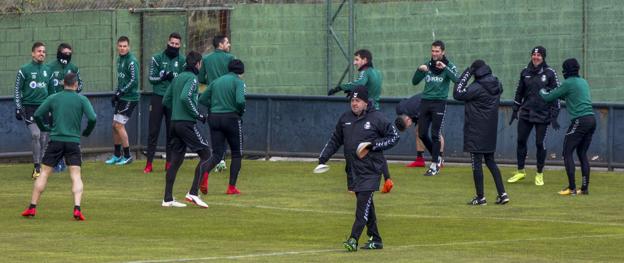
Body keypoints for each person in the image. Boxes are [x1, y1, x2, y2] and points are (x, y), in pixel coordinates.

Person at [318, 86, 399, 251]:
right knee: (367, 206)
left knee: (362, 206)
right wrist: (323, 158)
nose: (354, 104)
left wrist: (373, 145)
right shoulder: (345, 119)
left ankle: (353, 240)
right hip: (353, 171)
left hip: (370, 171)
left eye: (358, 100)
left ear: (365, 102)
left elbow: (394, 137)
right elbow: (335, 140)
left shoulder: (377, 118)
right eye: (352, 100)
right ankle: (376, 239)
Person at [20, 73, 97, 221]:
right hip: (73, 142)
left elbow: (37, 114)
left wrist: (45, 127)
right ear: (75, 84)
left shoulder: (53, 98)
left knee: (44, 173)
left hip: (55, 141)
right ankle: (77, 209)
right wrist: (87, 132)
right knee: (75, 176)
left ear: (63, 84)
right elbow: (93, 118)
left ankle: (32, 207)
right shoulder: (82, 99)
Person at [327, 49, 393, 192]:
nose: (355, 62)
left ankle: (353, 185)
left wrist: (340, 87)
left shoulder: (365, 72)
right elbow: (367, 89)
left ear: (365, 60)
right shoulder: (377, 73)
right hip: (376, 112)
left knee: (352, 148)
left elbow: (359, 83)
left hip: (366, 116)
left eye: (357, 59)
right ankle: (387, 179)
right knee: (376, 149)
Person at [453, 60, 509, 205]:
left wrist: (467, 72)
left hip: (475, 130)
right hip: (490, 130)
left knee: (476, 164)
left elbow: (457, 93)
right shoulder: (497, 84)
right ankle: (502, 194)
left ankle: (480, 197)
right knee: (491, 161)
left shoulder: (476, 87)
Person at [161, 51, 211, 208]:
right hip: (185, 124)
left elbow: (166, 100)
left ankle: (167, 198)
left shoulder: (177, 78)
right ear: (197, 64)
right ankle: (193, 193)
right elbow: (185, 97)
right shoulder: (192, 79)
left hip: (174, 123)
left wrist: (177, 112)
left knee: (176, 160)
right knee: (207, 154)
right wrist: (197, 115)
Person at [539, 58, 595, 196]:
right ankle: (584, 188)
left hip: (580, 121)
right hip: (592, 120)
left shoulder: (568, 83)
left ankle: (571, 188)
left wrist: (541, 89)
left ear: (567, 70)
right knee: (582, 154)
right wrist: (556, 93)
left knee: (567, 152)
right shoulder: (583, 82)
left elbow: (548, 97)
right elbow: (572, 96)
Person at [508, 46, 560, 186]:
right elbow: (519, 92)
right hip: (526, 113)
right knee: (520, 141)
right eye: (534, 55)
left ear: (543, 57)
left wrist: (554, 115)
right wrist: (515, 110)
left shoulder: (550, 73)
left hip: (543, 114)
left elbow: (557, 94)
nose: (536, 57)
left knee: (539, 143)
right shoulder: (525, 72)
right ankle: (520, 171)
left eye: (539, 55)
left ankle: (539, 173)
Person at [198, 59, 247, 195]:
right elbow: (240, 101)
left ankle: (205, 174)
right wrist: (240, 111)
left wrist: (214, 107)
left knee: (217, 153)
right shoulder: (238, 82)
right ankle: (231, 187)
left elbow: (201, 99)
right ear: (241, 72)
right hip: (231, 118)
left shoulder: (216, 81)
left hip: (214, 118)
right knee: (237, 153)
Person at [411, 40, 458, 176]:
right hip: (425, 102)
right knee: (421, 133)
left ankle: (434, 165)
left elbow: (457, 79)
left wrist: (444, 68)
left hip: (439, 103)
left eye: (437, 51)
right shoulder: (427, 64)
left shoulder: (449, 66)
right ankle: (437, 158)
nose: (434, 53)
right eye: (433, 51)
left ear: (443, 52)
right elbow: (414, 82)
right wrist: (419, 70)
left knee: (435, 134)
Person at [144, 32, 186, 174]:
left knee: (171, 132)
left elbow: (183, 79)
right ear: (167, 42)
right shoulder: (157, 58)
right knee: (153, 131)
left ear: (180, 45)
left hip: (173, 99)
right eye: (172, 43)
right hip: (158, 98)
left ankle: (168, 163)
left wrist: (173, 78)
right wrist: (163, 77)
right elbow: (151, 78)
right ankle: (149, 163)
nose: (174, 46)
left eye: (176, 44)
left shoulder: (182, 61)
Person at [197, 35, 235, 180]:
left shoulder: (206, 59)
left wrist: (212, 81)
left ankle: (218, 157)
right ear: (220, 44)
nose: (229, 44)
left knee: (215, 129)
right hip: (227, 99)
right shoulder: (230, 58)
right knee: (228, 128)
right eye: (227, 42)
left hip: (213, 98)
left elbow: (201, 78)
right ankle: (224, 159)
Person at [14, 42, 51, 180]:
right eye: (39, 51)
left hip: (45, 108)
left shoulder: (48, 70)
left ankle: (41, 166)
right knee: (36, 134)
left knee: (44, 138)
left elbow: (52, 92)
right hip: (29, 107)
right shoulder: (24, 70)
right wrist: (18, 107)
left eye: (44, 51)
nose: (42, 53)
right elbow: (17, 89)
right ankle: (37, 167)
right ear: (33, 53)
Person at [47, 42, 84, 173]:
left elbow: (80, 85)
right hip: (55, 105)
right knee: (54, 132)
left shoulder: (73, 67)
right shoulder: (50, 67)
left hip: (69, 106)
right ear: (59, 53)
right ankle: (57, 161)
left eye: (69, 53)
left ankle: (73, 159)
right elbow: (46, 86)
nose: (67, 55)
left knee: (70, 131)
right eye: (64, 53)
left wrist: (70, 86)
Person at [106, 36, 140, 166]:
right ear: (117, 47)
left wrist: (121, 92)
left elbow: (134, 80)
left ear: (129, 47)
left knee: (119, 125)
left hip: (130, 98)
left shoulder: (132, 61)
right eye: (120, 46)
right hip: (122, 97)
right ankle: (116, 155)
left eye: (124, 46)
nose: (122, 48)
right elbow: (122, 80)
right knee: (114, 126)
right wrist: (117, 93)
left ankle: (127, 156)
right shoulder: (119, 60)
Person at [394, 94, 446, 168]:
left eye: (408, 126)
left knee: (436, 133)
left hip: (435, 103)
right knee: (419, 131)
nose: (409, 127)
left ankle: (439, 160)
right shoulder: (399, 109)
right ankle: (420, 160)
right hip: (421, 104)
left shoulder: (417, 111)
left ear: (407, 119)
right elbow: (405, 99)